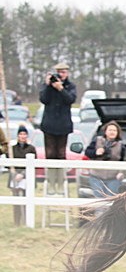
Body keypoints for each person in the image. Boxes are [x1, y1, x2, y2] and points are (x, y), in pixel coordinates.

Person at [38, 62, 77, 190]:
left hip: (63, 125)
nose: (61, 74)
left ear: (67, 73)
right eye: (59, 72)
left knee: (61, 153)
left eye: (63, 72)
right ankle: (50, 182)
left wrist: (61, 88)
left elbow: (70, 99)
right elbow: (43, 99)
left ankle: (60, 182)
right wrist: (48, 85)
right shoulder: (47, 86)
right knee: (50, 153)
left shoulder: (70, 86)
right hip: (49, 124)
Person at [87, 120, 126, 197]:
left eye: (114, 130)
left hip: (114, 177)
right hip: (96, 176)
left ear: (117, 132)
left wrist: (121, 172)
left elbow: (124, 160)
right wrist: (95, 152)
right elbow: (87, 153)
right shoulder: (96, 140)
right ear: (105, 131)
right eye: (110, 130)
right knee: (98, 199)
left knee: (110, 198)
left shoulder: (121, 145)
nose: (112, 132)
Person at [9, 126, 37, 226]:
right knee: (16, 201)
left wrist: (22, 174)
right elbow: (9, 164)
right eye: (21, 134)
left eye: (24, 134)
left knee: (27, 200)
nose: (22, 136)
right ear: (18, 136)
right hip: (15, 176)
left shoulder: (31, 148)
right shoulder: (12, 149)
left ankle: (26, 221)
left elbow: (34, 163)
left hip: (26, 177)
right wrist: (15, 174)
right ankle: (17, 222)